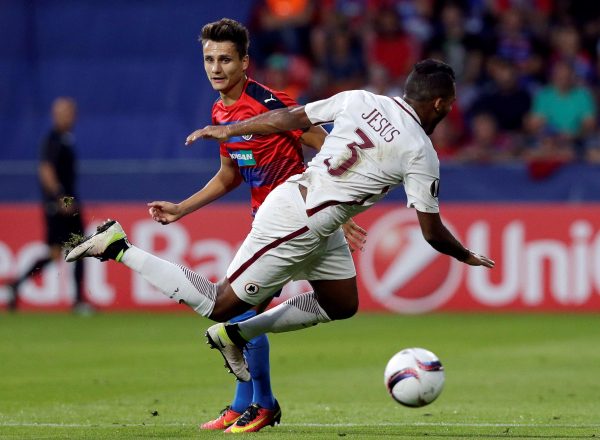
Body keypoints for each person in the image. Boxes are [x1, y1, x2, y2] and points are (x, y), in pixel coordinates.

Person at [65, 59, 494, 410]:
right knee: (220, 303)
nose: (450, 110)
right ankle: (118, 247)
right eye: (450, 104)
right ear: (440, 103)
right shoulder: (421, 152)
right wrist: (466, 255)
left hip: (315, 214)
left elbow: (292, 117)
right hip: (297, 220)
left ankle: (237, 335)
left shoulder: (362, 99)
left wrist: (232, 129)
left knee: (341, 303)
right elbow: (432, 232)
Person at [142, 19, 366, 434]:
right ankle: (245, 403)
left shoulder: (270, 104)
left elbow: (327, 145)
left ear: (245, 62)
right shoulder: (220, 111)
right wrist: (182, 208)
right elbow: (229, 175)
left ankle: (260, 403)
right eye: (209, 59)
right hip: (267, 225)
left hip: (296, 223)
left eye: (225, 59)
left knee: (241, 313)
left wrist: (338, 206)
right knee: (251, 315)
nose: (216, 68)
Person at [6, 97, 90, 314]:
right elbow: (46, 170)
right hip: (61, 204)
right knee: (81, 247)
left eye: (70, 112)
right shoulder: (54, 139)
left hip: (63, 202)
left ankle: (16, 285)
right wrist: (62, 198)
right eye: (63, 113)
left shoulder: (65, 139)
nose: (68, 117)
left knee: (57, 253)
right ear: (55, 115)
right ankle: (79, 301)